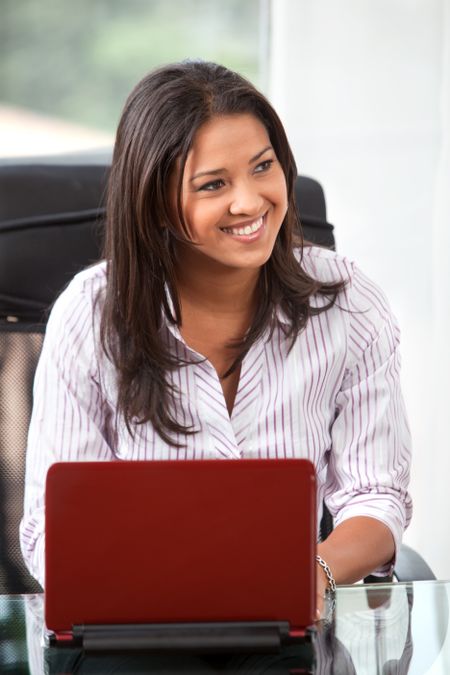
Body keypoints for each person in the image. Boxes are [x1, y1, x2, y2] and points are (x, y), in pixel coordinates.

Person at [20, 60, 412, 617]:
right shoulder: (91, 315)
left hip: (285, 620)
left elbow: (378, 496)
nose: (250, 202)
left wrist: (315, 574)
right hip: (134, 624)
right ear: (155, 200)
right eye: (213, 185)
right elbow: (49, 534)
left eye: (263, 167)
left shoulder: (348, 304)